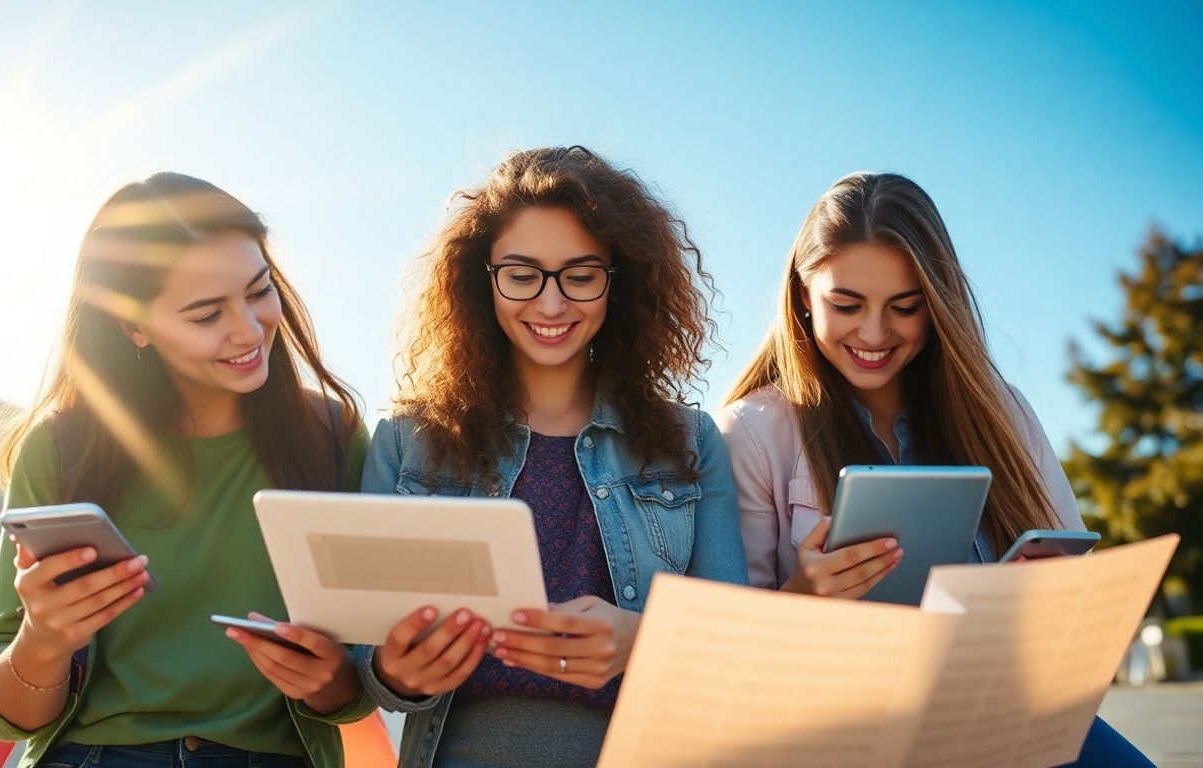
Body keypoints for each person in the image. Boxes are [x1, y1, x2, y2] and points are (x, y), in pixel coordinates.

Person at [716, 171, 1151, 765]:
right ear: (801, 295)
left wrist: (1046, 599)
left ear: (939, 304)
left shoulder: (1000, 413)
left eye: (905, 307)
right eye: (845, 305)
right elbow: (717, 658)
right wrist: (802, 599)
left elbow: (1079, 593)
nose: (874, 333)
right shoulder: (754, 432)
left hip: (1004, 715)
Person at [354, 146, 748, 767]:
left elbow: (734, 647)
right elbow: (361, 664)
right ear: (480, 279)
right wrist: (396, 669)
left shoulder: (690, 441)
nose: (551, 304)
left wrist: (642, 639)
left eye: (580, 275)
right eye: (522, 273)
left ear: (619, 284)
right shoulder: (407, 439)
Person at [0, 172, 375, 768]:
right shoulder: (60, 449)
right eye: (206, 314)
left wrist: (327, 676)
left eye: (259, 290)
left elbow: (360, 688)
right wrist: (45, 640)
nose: (248, 329)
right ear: (134, 327)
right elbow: (10, 714)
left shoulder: (331, 438)